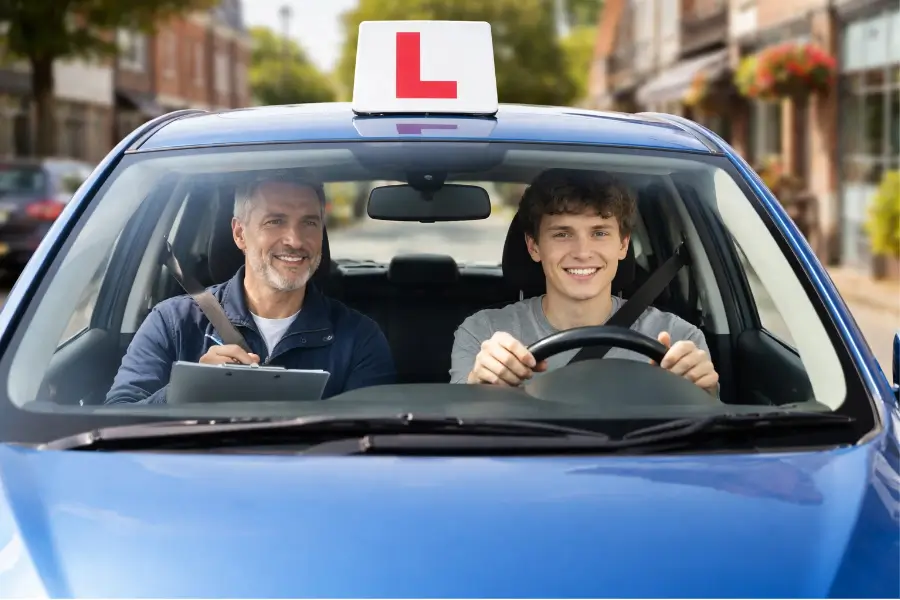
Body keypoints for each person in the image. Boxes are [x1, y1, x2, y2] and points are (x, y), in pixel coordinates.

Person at [106, 175, 396, 404]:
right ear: (239, 233)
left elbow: (374, 447)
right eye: (275, 221)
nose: (295, 240)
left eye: (309, 222)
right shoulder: (173, 323)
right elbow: (117, 417)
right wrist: (184, 393)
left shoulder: (359, 338)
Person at [450, 169, 719, 395]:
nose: (582, 252)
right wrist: (478, 384)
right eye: (562, 234)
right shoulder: (483, 333)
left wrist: (704, 393)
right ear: (533, 247)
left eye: (599, 233)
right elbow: (459, 438)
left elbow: (710, 444)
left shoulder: (678, 341)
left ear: (623, 245)